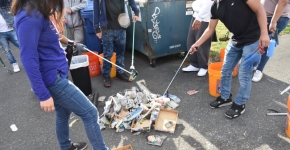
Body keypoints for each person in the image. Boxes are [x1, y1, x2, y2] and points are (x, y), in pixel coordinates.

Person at [11, 0, 109, 149]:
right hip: (52, 79)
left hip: (57, 72)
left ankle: (66, 146)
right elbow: (28, 58)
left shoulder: (38, 10)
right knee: (90, 113)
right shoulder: (29, 16)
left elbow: (51, 37)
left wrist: (72, 43)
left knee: (63, 114)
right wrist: (42, 95)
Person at [189, 0, 270, 118]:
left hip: (252, 39)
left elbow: (260, 9)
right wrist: (197, 44)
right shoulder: (215, 6)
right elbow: (210, 29)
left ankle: (240, 103)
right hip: (236, 39)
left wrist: (264, 33)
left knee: (244, 73)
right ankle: (225, 97)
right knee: (225, 70)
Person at [93, 0, 139, 88]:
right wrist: (97, 28)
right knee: (108, 54)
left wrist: (136, 11)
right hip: (107, 28)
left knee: (121, 51)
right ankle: (106, 75)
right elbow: (96, 9)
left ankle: (119, 72)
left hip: (122, 26)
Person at [252, 0, 290, 82]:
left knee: (267, 44)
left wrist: (274, 21)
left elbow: (283, 1)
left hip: (276, 19)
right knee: (259, 42)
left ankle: (259, 70)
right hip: (264, 16)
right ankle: (256, 64)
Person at [182, 0, 214, 76]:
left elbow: (208, 4)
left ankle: (203, 66)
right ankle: (194, 64)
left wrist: (199, 18)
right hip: (196, 15)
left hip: (204, 18)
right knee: (191, 40)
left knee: (202, 43)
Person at [0, 0, 20, 73]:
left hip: (11, 29)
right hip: (1, 34)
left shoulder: (2, 4)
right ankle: (14, 64)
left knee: (21, 45)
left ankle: (31, 59)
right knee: (7, 51)